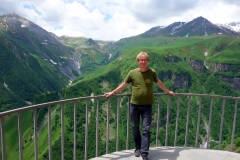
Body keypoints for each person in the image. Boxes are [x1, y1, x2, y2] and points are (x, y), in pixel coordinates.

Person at [104, 52, 174, 160]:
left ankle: (144, 153)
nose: (143, 62)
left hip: (147, 106)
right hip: (134, 105)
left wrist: (168, 91)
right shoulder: (132, 73)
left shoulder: (152, 72)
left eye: (145, 60)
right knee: (135, 128)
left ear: (147, 61)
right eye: (141, 60)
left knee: (146, 129)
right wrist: (112, 93)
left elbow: (159, 82)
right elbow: (124, 85)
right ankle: (138, 147)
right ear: (138, 61)